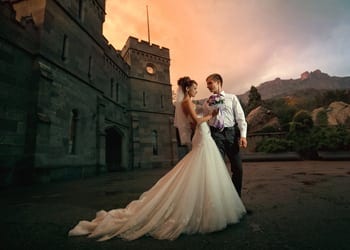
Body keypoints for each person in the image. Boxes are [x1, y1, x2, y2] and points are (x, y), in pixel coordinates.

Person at [68, 77, 246, 241]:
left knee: (207, 171)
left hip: (207, 135)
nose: (197, 90)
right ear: (187, 88)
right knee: (201, 169)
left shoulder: (196, 101)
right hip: (202, 134)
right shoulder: (186, 102)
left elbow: (201, 114)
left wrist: (211, 112)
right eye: (195, 88)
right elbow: (197, 121)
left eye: (200, 87)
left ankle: (212, 206)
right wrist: (211, 116)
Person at [204, 73, 248, 198]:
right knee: (219, 170)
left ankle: (236, 202)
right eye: (207, 84)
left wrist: (243, 136)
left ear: (218, 82)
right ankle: (223, 204)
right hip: (216, 135)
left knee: (238, 169)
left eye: (210, 83)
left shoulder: (232, 98)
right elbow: (204, 119)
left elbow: (240, 117)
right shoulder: (207, 102)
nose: (207, 86)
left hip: (231, 134)